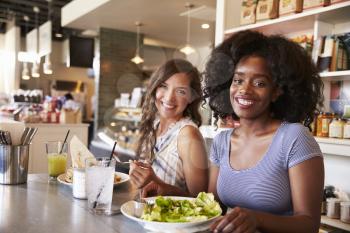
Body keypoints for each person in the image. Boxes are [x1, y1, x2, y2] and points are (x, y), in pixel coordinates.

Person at [203, 30, 324, 233]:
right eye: (238, 80)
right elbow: (211, 208)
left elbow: (309, 224)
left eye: (259, 83)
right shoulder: (222, 141)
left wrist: (256, 219)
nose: (244, 90)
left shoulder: (294, 137)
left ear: (276, 92)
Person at [129, 59, 208, 198]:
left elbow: (201, 201)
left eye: (181, 91)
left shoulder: (188, 135)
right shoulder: (154, 125)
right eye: (164, 86)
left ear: (190, 98)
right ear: (155, 87)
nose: (169, 97)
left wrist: (157, 183)